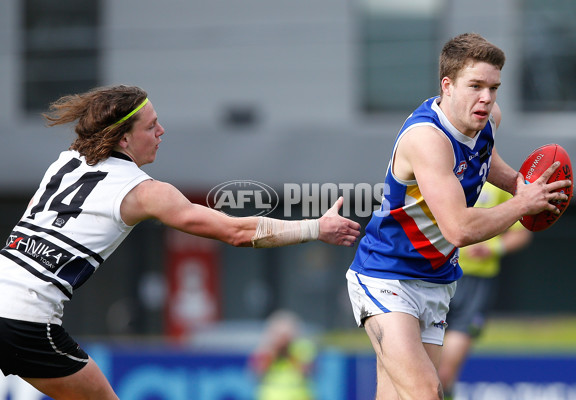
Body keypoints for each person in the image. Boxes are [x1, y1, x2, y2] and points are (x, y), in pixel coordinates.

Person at [0, 84, 361, 400]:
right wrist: (315, 228)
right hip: (26, 318)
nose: (161, 130)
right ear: (123, 139)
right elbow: (237, 232)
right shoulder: (142, 191)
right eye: (151, 125)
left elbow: (29, 226)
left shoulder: (64, 164)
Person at [345, 32, 571, 400]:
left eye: (493, 88)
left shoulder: (488, 119)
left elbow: (486, 159)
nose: (486, 98)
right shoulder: (427, 140)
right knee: (426, 391)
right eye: (475, 86)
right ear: (447, 86)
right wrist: (521, 204)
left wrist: (520, 185)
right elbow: (459, 229)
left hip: (436, 280)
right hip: (386, 275)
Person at [437, 182, 533, 399]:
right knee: (425, 371)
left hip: (475, 283)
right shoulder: (438, 172)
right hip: (434, 277)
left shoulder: (498, 183)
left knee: (443, 374)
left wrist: (491, 248)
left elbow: (521, 234)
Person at [250, 310, 316, 400]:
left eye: (285, 335)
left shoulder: (302, 348)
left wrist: (289, 352)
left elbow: (308, 372)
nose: (283, 339)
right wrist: (274, 352)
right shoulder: (265, 349)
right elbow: (256, 373)